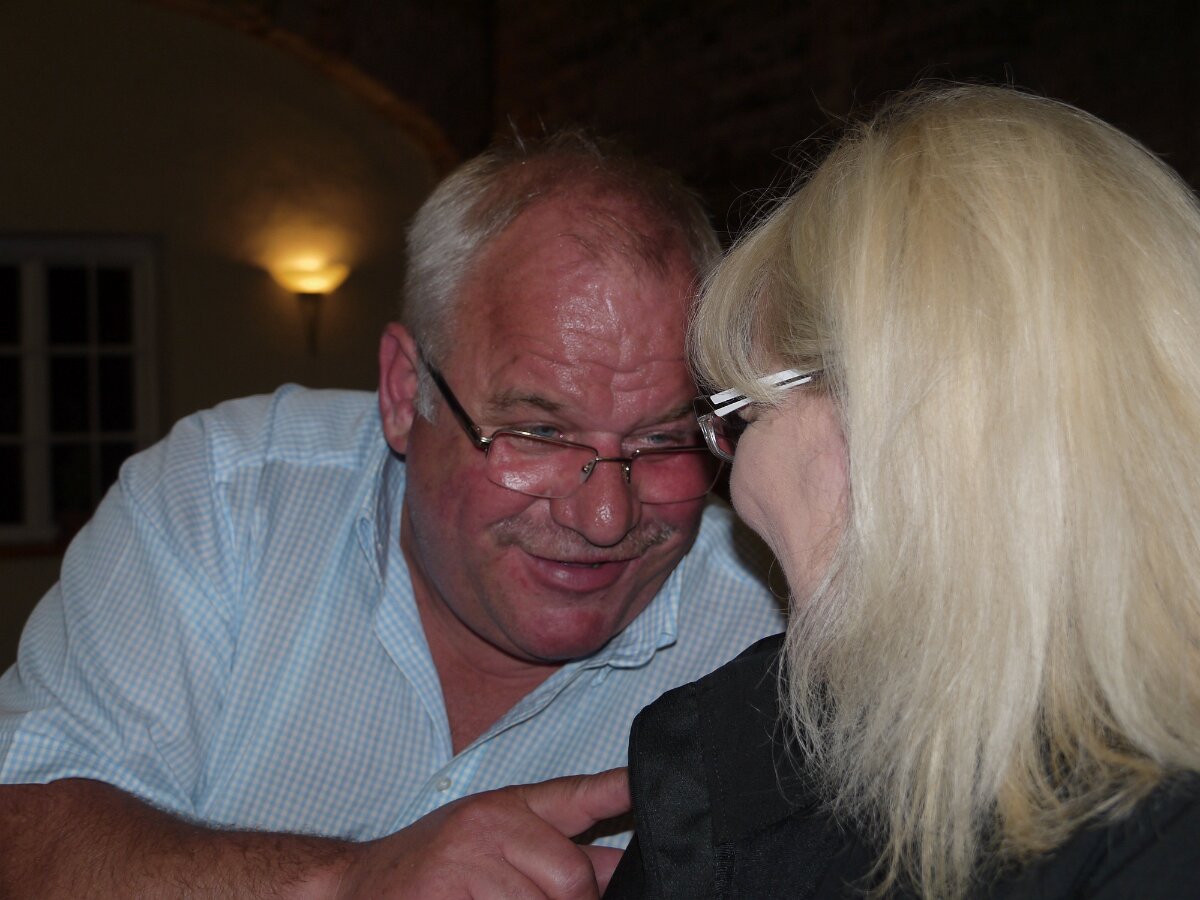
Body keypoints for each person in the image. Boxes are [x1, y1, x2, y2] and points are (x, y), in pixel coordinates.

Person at [0, 133, 785, 897]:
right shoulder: (227, 500)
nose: (607, 517)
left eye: (663, 440)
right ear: (406, 392)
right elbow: (20, 829)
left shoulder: (776, 634)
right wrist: (345, 883)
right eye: (539, 434)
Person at [607, 85, 1200, 899]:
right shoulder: (728, 767)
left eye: (741, 414)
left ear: (896, 417)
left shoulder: (747, 788)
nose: (736, 485)